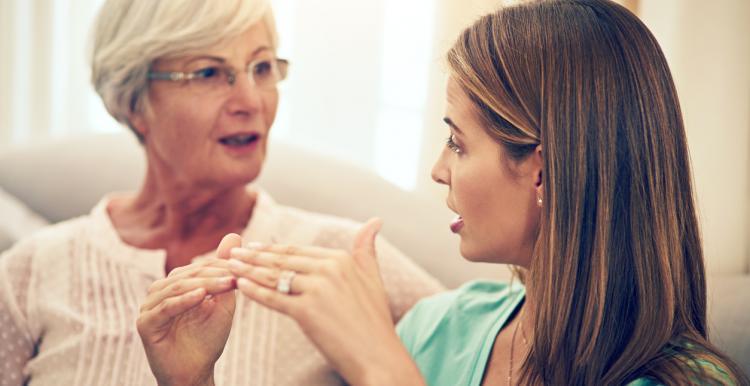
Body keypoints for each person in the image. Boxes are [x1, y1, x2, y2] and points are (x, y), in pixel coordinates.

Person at [138, 0, 750, 385]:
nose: (437, 169)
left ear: (543, 169)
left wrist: (379, 365)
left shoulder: (686, 380)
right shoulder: (440, 328)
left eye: (457, 143)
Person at [0, 0, 443, 385]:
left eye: (263, 67)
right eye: (210, 72)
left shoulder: (345, 260)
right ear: (134, 101)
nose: (251, 100)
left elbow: (500, 350)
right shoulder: (29, 273)